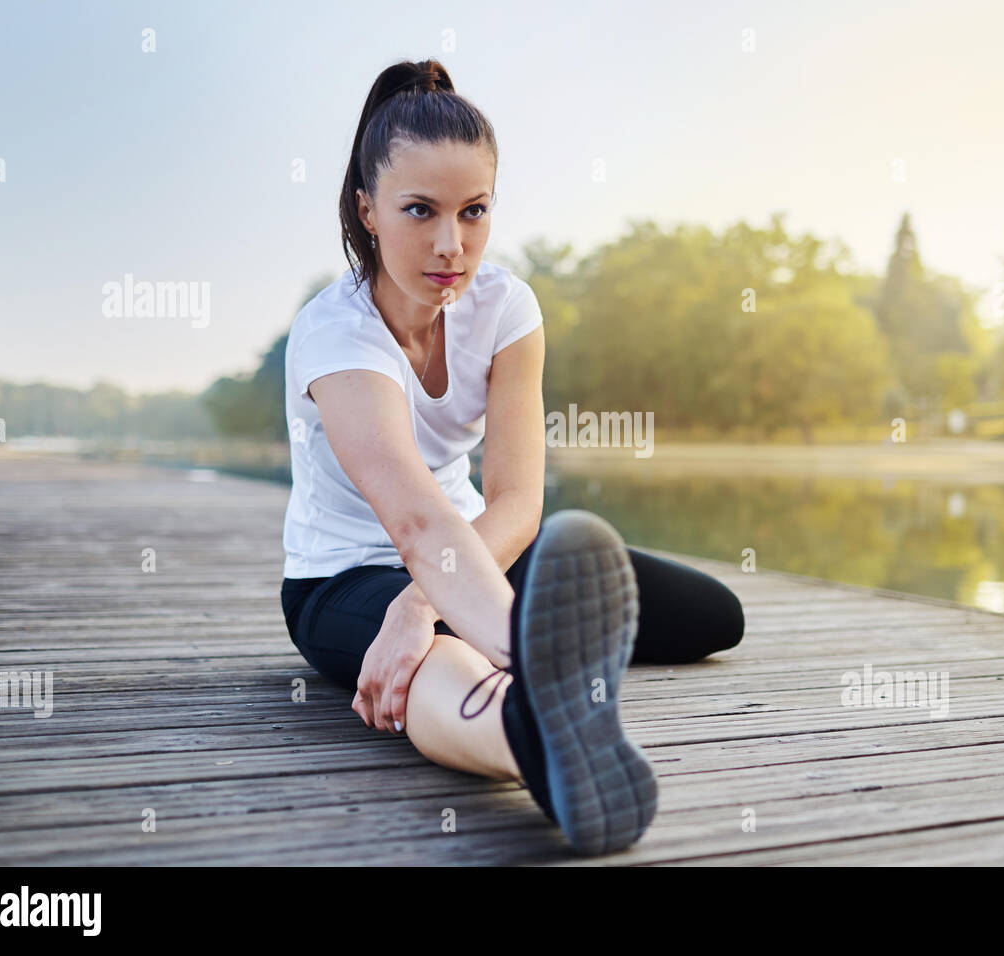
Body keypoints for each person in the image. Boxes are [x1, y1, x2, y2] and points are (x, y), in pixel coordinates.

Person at [279, 58, 745, 856]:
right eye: (419, 211)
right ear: (367, 210)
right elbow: (417, 523)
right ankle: (534, 739)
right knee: (441, 663)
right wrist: (448, 621)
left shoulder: (506, 308)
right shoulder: (337, 334)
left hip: (473, 553)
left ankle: (524, 665)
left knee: (710, 616)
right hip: (346, 577)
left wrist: (422, 606)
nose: (450, 244)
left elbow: (519, 505)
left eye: (475, 211)